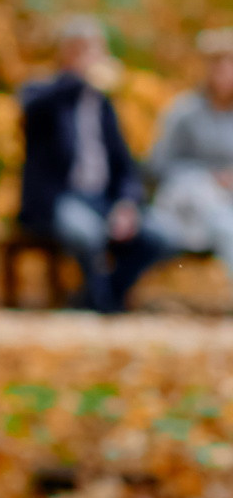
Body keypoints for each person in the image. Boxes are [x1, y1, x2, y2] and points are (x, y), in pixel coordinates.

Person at [18, 17, 174, 315]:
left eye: (95, 51)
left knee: (160, 237)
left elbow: (124, 166)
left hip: (102, 200)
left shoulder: (103, 105)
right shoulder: (42, 92)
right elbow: (32, 111)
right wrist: (76, 78)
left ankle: (99, 297)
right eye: (82, 51)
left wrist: (127, 204)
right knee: (87, 233)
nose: (92, 59)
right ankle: (100, 303)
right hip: (58, 200)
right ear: (66, 53)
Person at [147, 29, 233, 280]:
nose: (224, 71)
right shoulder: (183, 112)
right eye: (217, 64)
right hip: (190, 200)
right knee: (224, 225)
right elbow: (159, 165)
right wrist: (210, 177)